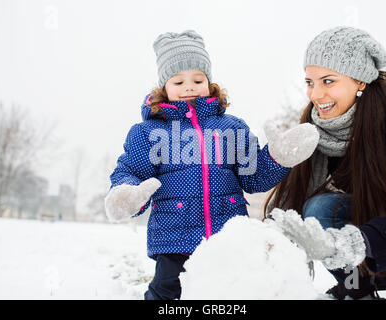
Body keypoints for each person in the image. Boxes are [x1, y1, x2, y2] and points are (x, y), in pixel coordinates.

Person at [104, 30, 319, 300]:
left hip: (227, 236)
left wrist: (277, 158)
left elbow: (253, 177)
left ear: (209, 81)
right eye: (178, 81)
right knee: (167, 292)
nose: (189, 87)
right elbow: (132, 170)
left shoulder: (231, 127)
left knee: (229, 294)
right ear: (164, 88)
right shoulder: (147, 132)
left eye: (198, 79)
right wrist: (127, 192)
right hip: (174, 238)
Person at [265, 26, 386, 300]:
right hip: (376, 255)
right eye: (310, 82)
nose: (315, 94)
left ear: (360, 81)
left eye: (328, 81)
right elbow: (292, 201)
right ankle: (357, 291)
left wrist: (363, 241)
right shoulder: (316, 129)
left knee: (324, 209)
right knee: (320, 207)